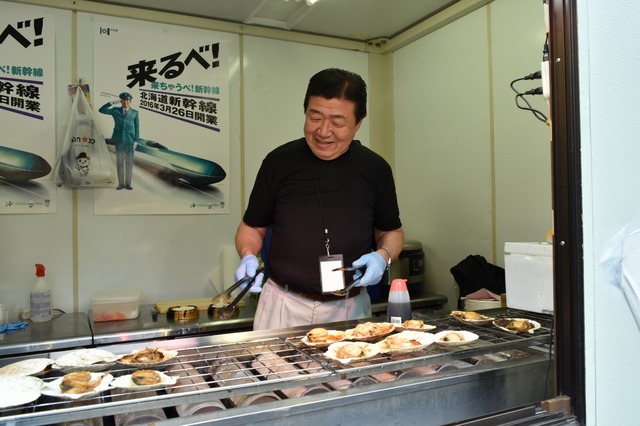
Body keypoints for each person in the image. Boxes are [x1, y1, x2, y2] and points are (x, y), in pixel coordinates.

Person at [234, 68, 404, 330]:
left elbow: (391, 232)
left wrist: (383, 256)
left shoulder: (375, 169)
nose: (324, 131)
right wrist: (248, 255)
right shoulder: (278, 162)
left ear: (358, 122)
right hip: (283, 304)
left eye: (337, 122)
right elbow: (253, 227)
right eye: (315, 117)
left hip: (349, 307)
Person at [99, 92, 139, 190]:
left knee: (129, 162)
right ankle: (121, 184)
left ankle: (128, 184)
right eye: (123, 100)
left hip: (130, 140)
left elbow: (137, 127)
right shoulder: (115, 110)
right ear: (121, 101)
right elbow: (101, 110)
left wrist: (136, 140)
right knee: (120, 162)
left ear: (130, 102)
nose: (125, 102)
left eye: (127, 100)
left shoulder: (135, 112)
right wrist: (111, 103)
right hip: (119, 140)